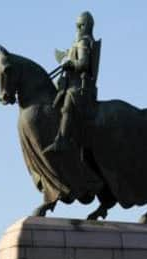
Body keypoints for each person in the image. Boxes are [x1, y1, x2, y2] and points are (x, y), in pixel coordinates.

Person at [44, 11, 99, 154]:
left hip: (79, 86)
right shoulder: (78, 42)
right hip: (69, 82)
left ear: (87, 26)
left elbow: (84, 63)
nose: (78, 29)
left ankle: (62, 140)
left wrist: (71, 64)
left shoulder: (84, 42)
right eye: (77, 26)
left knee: (68, 98)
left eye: (80, 25)